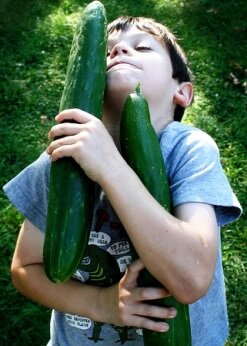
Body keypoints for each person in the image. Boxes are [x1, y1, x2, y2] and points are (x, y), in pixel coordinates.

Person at [3, 16, 242, 346]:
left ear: (182, 93)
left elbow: (190, 280)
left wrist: (110, 166)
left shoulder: (188, 150)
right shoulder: (60, 159)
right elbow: (26, 268)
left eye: (142, 46)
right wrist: (101, 305)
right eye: (108, 50)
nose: (120, 50)